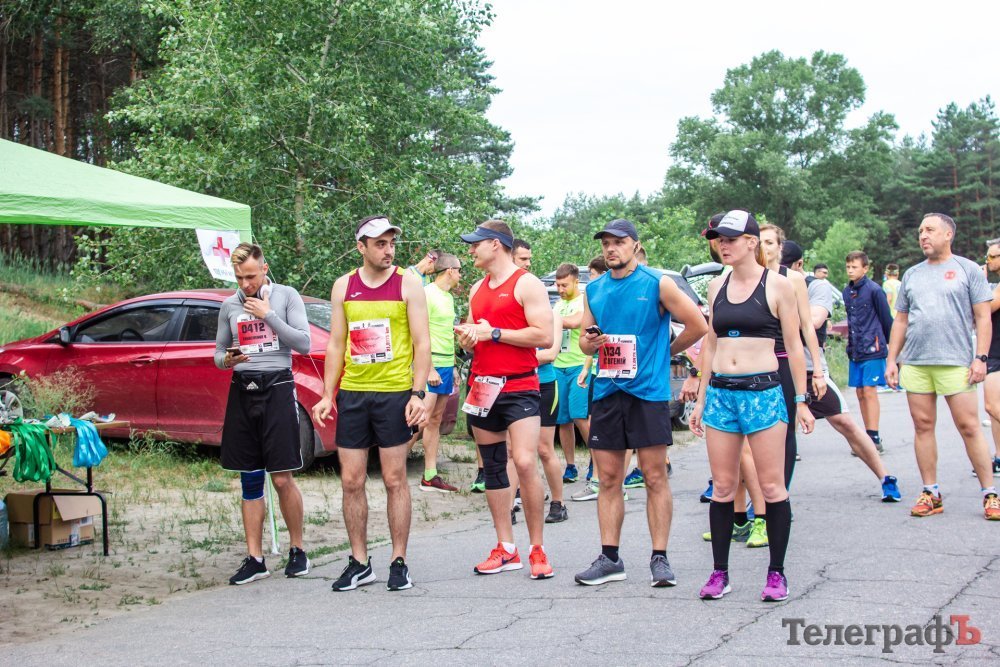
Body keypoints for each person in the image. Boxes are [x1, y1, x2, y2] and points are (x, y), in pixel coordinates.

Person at [574, 219, 707, 587]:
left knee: (653, 475)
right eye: (606, 243)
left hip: (647, 393)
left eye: (618, 242)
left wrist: (664, 351)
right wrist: (591, 343)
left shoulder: (657, 283)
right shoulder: (594, 288)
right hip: (607, 391)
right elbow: (584, 341)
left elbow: (698, 325)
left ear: (634, 245)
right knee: (608, 478)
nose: (610, 248)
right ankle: (610, 558)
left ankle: (659, 558)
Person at [690, 209, 814, 603]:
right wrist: (701, 397)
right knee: (723, 487)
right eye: (718, 239)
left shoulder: (778, 286)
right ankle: (719, 573)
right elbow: (711, 343)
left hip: (763, 392)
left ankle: (776, 573)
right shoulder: (716, 286)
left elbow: (794, 347)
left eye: (730, 239)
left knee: (772, 485)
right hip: (722, 394)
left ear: (751, 242)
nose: (722, 245)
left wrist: (801, 400)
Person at [313, 215, 431, 591]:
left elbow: (422, 342)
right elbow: (336, 344)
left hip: (394, 393)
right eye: (380, 243)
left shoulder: (408, 283)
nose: (388, 250)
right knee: (351, 481)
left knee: (395, 479)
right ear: (361, 247)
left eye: (391, 243)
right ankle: (360, 562)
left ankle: (399, 561)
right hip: (354, 393)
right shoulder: (343, 286)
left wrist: (418, 393)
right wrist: (327, 393)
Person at [456, 220, 556, 579]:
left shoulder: (526, 283)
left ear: (496, 244)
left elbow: (544, 336)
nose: (471, 250)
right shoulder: (476, 288)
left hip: (519, 386)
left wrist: (494, 333)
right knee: (494, 467)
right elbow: (475, 335)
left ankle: (537, 548)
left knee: (525, 461)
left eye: (476, 243)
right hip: (482, 386)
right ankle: (506, 547)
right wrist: (468, 340)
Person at [885, 213, 1000, 521]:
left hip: (956, 361)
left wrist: (981, 357)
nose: (923, 235)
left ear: (948, 234)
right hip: (917, 362)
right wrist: (892, 359)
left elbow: (983, 317)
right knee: (923, 426)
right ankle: (931, 492)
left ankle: (990, 494)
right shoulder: (912, 274)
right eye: (920, 230)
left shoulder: (967, 269)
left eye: (930, 230)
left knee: (969, 427)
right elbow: (901, 320)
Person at [215, 243, 313, 585]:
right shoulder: (229, 305)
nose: (245, 284)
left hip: (278, 387)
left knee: (282, 478)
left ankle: (298, 550)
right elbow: (217, 353)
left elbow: (303, 343)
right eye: (239, 278)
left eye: (251, 277)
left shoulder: (286, 296)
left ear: (265, 269)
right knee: (249, 478)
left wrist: (268, 314)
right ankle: (255, 558)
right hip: (243, 389)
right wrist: (227, 360)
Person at [782, 241, 901, 502]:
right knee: (770, 435)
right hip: (775, 370)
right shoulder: (762, 283)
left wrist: (893, 355)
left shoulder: (816, 286)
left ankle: (885, 477)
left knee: (846, 422)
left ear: (799, 265)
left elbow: (814, 322)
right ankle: (752, 496)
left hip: (811, 369)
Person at [759, 224, 827, 483]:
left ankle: (780, 494)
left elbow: (807, 326)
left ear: (780, 247)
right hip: (754, 363)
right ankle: (758, 495)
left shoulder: (792, 278)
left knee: (786, 429)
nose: (764, 247)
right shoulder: (747, 276)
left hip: (784, 360)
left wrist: (817, 370)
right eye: (760, 241)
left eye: (769, 242)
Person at [416, 253, 462, 493]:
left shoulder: (448, 297)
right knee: (419, 420)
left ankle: (430, 476)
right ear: (450, 270)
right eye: (460, 270)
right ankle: (393, 469)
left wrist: (452, 366)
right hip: (430, 365)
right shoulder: (427, 293)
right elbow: (418, 331)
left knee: (435, 420)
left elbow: (445, 333)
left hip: (445, 364)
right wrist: (430, 367)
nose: (461, 275)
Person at [843, 251, 894, 450]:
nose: (850, 270)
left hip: (873, 347)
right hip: (855, 349)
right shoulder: (847, 292)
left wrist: (893, 351)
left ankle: (874, 437)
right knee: (860, 392)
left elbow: (887, 320)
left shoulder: (875, 290)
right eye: (848, 267)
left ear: (865, 269)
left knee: (869, 390)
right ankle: (866, 435)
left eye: (854, 267)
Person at [553, 263, 589, 484]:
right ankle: (570, 466)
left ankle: (596, 461)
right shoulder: (558, 305)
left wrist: (549, 320)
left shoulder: (584, 301)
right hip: (558, 366)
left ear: (576, 281)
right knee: (563, 419)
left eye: (564, 285)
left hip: (578, 365)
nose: (560, 289)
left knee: (579, 416)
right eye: (557, 285)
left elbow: (576, 322)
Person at [982, 240, 1000, 476]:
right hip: (993, 349)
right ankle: (999, 456)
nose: (987, 261)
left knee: (992, 405)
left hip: (997, 352)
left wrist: (980, 281)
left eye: (992, 257)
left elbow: (986, 308)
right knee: (994, 409)